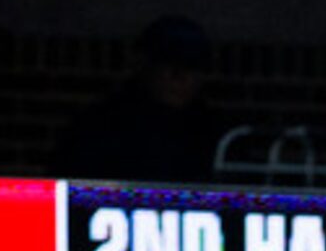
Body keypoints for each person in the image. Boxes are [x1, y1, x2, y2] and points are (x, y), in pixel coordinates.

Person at [55, 14, 230, 184]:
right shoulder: (98, 127)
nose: (179, 77)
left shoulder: (215, 134)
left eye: (191, 68)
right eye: (168, 64)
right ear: (143, 65)